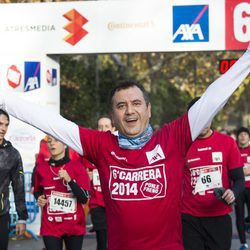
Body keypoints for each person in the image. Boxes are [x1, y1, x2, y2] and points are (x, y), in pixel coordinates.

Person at [0, 47, 249, 249]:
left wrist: (247, 58)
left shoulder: (173, 137)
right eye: (121, 106)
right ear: (113, 114)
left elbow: (213, 98)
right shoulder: (101, 145)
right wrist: (3, 100)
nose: (130, 110)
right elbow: (51, 122)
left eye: (136, 103)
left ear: (148, 110)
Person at [181, 98, 245, 250]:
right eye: (198, 117)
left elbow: (239, 180)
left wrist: (233, 192)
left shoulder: (227, 143)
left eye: (206, 116)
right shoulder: (181, 144)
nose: (203, 121)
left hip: (219, 218)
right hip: (189, 219)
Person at [33, 135, 90, 250]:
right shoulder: (41, 168)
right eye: (49, 141)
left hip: (74, 226)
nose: (52, 144)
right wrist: (39, 197)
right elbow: (37, 190)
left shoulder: (77, 167)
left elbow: (84, 198)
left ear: (65, 144)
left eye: (56, 141)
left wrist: (70, 180)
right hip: (51, 226)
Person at [0, 109, 28, 250]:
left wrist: (22, 216)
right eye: (0, 124)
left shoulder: (12, 154)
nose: (3, 128)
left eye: (6, 125)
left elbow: (19, 186)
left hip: (2, 214)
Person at [87, 117, 115, 250]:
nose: (103, 129)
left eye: (106, 126)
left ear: (113, 129)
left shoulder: (120, 150)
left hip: (116, 204)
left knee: (118, 241)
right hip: (97, 204)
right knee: (102, 242)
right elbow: (78, 175)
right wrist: (86, 177)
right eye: (100, 126)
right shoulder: (89, 151)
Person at [235, 127, 250, 250]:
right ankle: (243, 243)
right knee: (239, 215)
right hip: (238, 188)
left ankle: (247, 222)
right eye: (241, 134)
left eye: (245, 134)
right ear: (237, 137)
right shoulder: (234, 150)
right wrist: (241, 172)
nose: (243, 136)